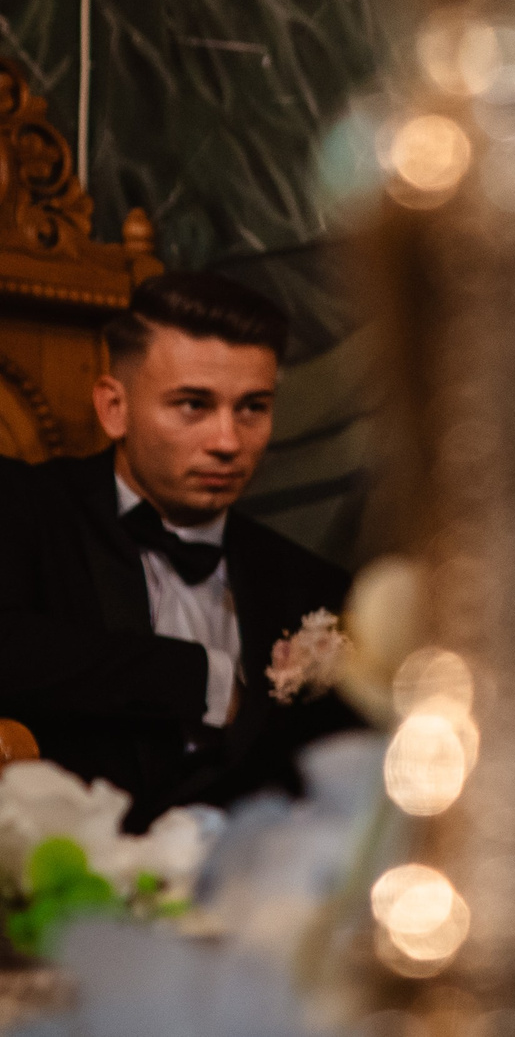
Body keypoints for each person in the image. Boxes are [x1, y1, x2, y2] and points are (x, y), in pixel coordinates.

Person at [0, 272, 356, 827]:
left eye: (252, 407)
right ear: (113, 407)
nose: (227, 442)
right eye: (193, 404)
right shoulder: (24, 510)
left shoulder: (314, 589)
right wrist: (205, 681)